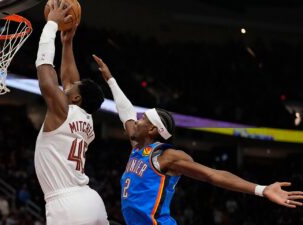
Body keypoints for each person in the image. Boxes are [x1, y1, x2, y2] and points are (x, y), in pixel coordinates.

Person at [92, 55, 303, 225]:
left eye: (143, 119)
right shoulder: (138, 145)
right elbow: (126, 113)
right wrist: (110, 80)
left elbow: (212, 175)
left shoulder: (166, 156)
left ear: (152, 129)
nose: (136, 121)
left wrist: (261, 189)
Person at [34, 1, 108, 224]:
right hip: (90, 200)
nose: (67, 86)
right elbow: (71, 80)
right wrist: (67, 44)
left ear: (76, 98)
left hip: (67, 205)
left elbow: (46, 73)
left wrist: (51, 26)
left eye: (71, 89)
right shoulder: (86, 119)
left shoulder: (64, 112)